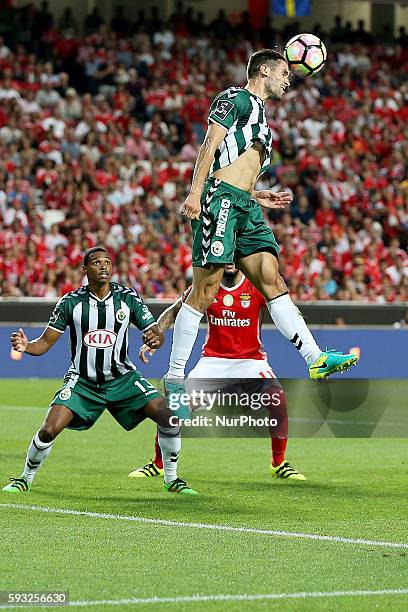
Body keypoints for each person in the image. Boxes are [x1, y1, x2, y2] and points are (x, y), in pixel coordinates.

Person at [165, 48, 358, 405]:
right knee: (204, 292)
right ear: (264, 70)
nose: (288, 79)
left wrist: (257, 195)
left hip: (244, 204)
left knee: (273, 281)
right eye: (284, 72)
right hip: (219, 199)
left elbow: (240, 166)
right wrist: (195, 193)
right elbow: (210, 145)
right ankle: (175, 377)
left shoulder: (263, 118)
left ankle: (315, 359)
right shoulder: (235, 99)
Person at [2, 246, 196, 496]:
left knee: (168, 416)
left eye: (107, 262)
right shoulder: (71, 303)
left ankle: (172, 479)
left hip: (123, 378)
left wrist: (155, 339)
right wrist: (26, 346)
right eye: (96, 262)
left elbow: (153, 332)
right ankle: (24, 479)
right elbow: (44, 343)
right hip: (82, 382)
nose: (103, 266)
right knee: (49, 429)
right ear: (85, 269)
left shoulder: (128, 298)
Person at [130, 264, 305, 481]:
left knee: (277, 398)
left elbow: (285, 309)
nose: (230, 260)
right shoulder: (206, 284)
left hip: (251, 362)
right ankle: (158, 464)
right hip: (212, 362)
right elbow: (177, 310)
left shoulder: (258, 285)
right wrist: (155, 333)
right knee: (175, 407)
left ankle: (278, 463)